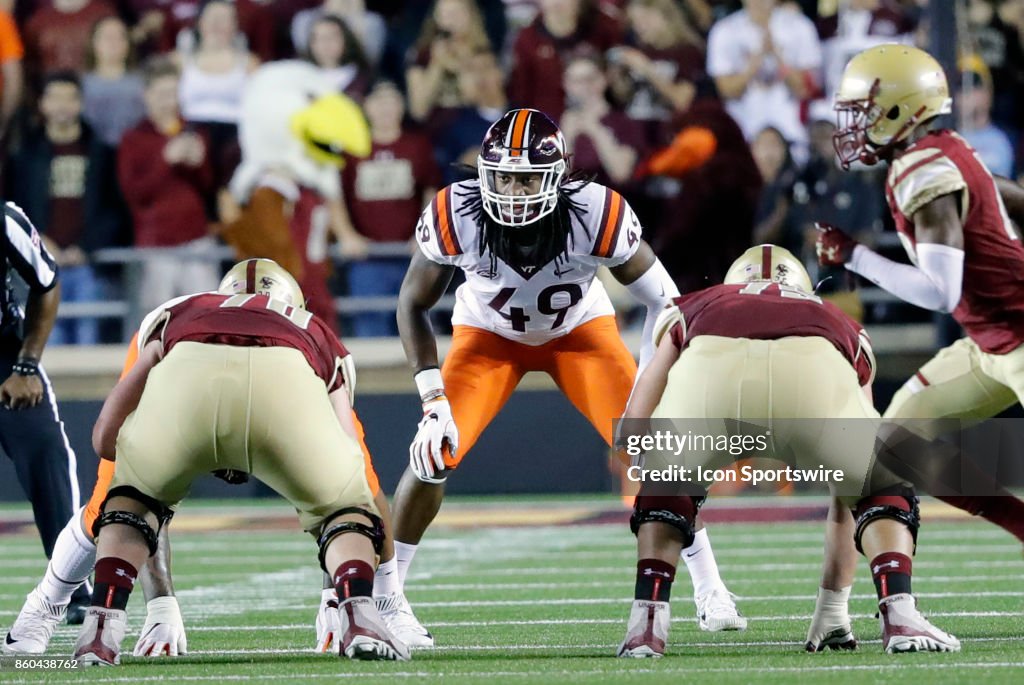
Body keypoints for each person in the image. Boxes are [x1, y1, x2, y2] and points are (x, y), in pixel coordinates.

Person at [385, 108, 745, 648]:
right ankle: (388, 598)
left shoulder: (593, 213)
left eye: (528, 177)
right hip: (487, 339)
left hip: (579, 334)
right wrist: (432, 399)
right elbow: (411, 305)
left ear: (558, 178)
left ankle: (709, 587)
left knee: (658, 452)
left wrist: (648, 385)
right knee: (432, 451)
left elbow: (665, 305)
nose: (513, 190)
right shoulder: (454, 211)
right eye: (503, 176)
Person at [616, 244, 960, 656]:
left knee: (666, 482)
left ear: (732, 283)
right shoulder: (840, 319)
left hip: (711, 382)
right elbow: (843, 497)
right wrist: (833, 608)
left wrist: (656, 468)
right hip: (813, 372)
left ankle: (646, 625)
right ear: (802, 286)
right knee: (878, 484)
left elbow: (636, 418)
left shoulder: (695, 305)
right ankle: (899, 612)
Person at [72, 258, 409, 665]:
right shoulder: (315, 329)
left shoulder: (181, 311)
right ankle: (358, 613)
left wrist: (145, 476)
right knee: (345, 508)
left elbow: (104, 438)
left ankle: (101, 629)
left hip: (186, 378)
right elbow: (351, 453)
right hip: (287, 378)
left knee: (130, 503)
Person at [812, 44, 1024, 646]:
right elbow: (1000, 191)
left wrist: (855, 255)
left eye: (861, 110)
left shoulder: (923, 169)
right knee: (893, 448)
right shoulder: (944, 152)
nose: (851, 126)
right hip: (991, 341)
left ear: (899, 108)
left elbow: (937, 292)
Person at [5, 336, 187, 658]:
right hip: (180, 367)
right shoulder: (167, 334)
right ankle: (47, 604)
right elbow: (109, 446)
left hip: (271, 391)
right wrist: (162, 604)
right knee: (119, 495)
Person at [0, 202, 92, 645]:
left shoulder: (4, 219)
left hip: (4, 357)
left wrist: (28, 365)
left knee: (46, 454)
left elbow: (47, 282)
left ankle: (72, 587)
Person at [6, 70, 125, 345]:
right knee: (47, 345)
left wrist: (85, 247)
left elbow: (114, 210)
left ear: (80, 103)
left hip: (89, 266)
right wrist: (41, 243)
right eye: (54, 98)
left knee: (88, 340)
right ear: (42, 104)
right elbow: (15, 207)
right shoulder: (24, 156)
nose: (61, 105)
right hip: (40, 267)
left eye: (69, 98)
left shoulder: (101, 153)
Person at [339, 80, 440, 337]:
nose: (385, 108)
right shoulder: (351, 149)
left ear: (402, 106)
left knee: (417, 330)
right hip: (367, 258)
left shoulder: (417, 145)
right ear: (366, 107)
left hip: (411, 256)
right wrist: (346, 234)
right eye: (378, 100)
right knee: (371, 332)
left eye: (391, 100)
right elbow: (334, 194)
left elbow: (430, 190)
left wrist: (424, 232)